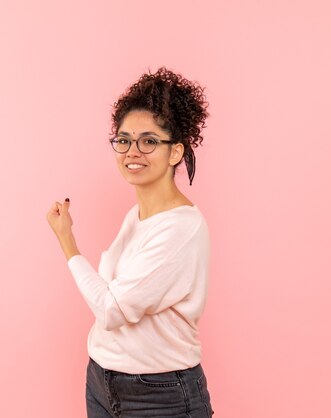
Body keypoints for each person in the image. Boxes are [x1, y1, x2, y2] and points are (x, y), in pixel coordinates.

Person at [47, 67, 214, 417]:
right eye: (123, 140)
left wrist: (68, 243)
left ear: (175, 152)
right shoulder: (136, 216)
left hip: (158, 395)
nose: (131, 151)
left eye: (149, 141)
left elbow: (112, 309)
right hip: (102, 379)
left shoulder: (181, 229)